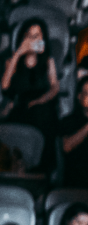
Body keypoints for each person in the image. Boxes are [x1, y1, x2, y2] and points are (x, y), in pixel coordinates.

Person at [1, 20, 60, 171]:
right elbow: (5, 86)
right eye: (29, 36)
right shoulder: (12, 60)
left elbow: (55, 88)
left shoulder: (48, 60)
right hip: (21, 104)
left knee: (45, 116)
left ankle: (42, 169)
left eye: (36, 36)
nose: (32, 39)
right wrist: (18, 53)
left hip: (43, 104)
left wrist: (40, 100)